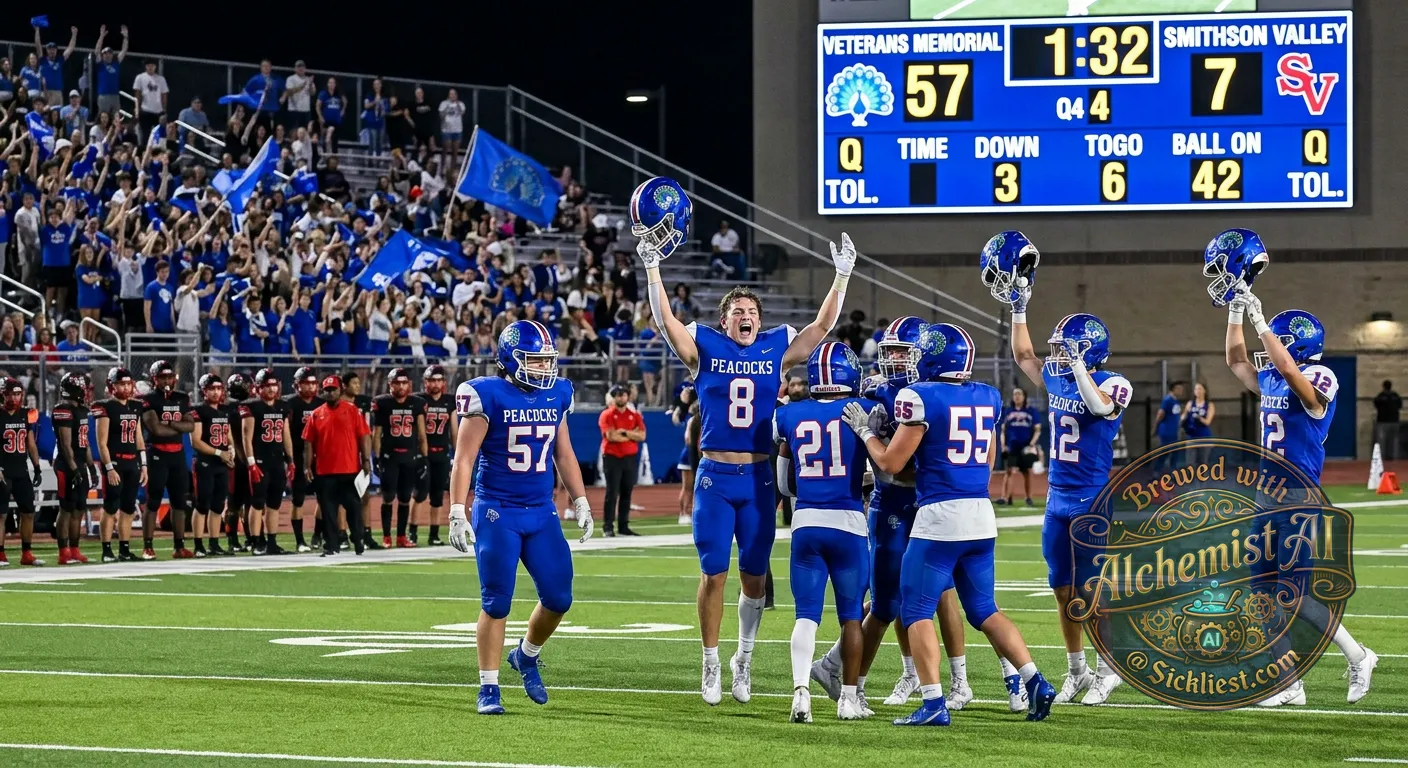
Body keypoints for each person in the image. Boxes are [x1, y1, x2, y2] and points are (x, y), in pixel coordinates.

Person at [636, 176, 855, 706]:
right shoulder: (704, 347)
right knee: (713, 572)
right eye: (738, 312)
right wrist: (652, 267)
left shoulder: (775, 348)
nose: (747, 316)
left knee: (754, 579)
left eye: (753, 312)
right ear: (724, 320)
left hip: (758, 478)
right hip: (715, 476)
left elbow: (822, 328)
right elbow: (666, 322)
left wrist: (842, 276)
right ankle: (710, 661)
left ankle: (744, 659)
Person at [844, 322, 1059, 725]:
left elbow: (891, 462)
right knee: (985, 609)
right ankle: (1035, 680)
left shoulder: (920, 397)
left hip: (939, 517)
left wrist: (865, 432)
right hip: (980, 513)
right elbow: (989, 460)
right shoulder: (987, 396)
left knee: (915, 609)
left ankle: (932, 703)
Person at [1215, 233, 1377, 705]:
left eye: (1280, 342)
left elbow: (1291, 373)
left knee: (1295, 595)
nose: (1272, 350)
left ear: (1299, 345)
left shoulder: (1321, 376)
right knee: (1261, 594)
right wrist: (1236, 309)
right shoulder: (1272, 375)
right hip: (1266, 496)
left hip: (1298, 497)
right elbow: (1235, 359)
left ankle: (1359, 655)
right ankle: (1288, 682)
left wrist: (1260, 318)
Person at [987, 230, 1133, 707]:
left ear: (1087, 350)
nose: (1057, 356)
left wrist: (1080, 367)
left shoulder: (1114, 381)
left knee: (1094, 591)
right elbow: (1024, 355)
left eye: (1066, 349)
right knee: (1062, 588)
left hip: (1093, 498)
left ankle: (1110, 670)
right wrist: (1019, 308)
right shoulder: (1057, 374)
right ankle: (1077, 669)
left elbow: (1102, 407)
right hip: (1058, 496)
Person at [448, 319, 596, 715]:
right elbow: (464, 459)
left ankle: (526, 655)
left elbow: (563, 452)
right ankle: (489, 687)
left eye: (547, 360)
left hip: (541, 509)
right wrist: (458, 510)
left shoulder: (557, 393)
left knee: (559, 597)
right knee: (497, 601)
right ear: (510, 359)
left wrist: (580, 499)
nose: (545, 367)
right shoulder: (487, 395)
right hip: (498, 509)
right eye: (535, 360)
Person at [774, 343, 875, 723]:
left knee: (806, 615)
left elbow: (784, 484)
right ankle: (847, 699)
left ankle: (801, 693)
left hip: (806, 522)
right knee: (851, 617)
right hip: (848, 522)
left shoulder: (790, 414)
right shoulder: (863, 409)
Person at [303, 375, 373, 557]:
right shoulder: (316, 414)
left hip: (349, 470)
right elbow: (308, 442)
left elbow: (364, 436)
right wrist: (307, 466)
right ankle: (331, 545)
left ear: (340, 390)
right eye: (327, 390)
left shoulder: (352, 410)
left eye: (333, 389)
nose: (330, 393)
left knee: (354, 508)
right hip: (325, 472)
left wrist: (366, 460)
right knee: (328, 512)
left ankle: (358, 539)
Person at [141, 359, 195, 559]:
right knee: (153, 500)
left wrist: (170, 424)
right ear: (154, 379)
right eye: (162, 377)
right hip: (157, 453)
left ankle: (179, 546)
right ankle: (147, 546)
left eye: (169, 377)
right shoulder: (148, 399)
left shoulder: (182, 397)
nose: (166, 381)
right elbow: (156, 429)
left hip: (177, 454)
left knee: (179, 501)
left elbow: (191, 426)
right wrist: (178, 425)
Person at [94, 367, 147, 563]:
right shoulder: (105, 407)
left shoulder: (135, 406)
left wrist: (144, 464)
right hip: (115, 462)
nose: (125, 388)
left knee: (128, 508)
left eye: (127, 384)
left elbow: (139, 437)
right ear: (112, 386)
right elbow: (102, 443)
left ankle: (124, 549)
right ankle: (107, 550)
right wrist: (109, 468)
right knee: (110, 506)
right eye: (121, 384)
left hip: (131, 461)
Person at [240, 368, 295, 556]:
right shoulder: (251, 406)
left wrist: (291, 460)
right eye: (267, 386)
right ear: (258, 388)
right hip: (260, 461)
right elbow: (246, 438)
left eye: (273, 385)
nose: (271, 389)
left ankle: (272, 542)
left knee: (274, 504)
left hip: (277, 460)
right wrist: (251, 463)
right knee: (257, 503)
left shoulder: (282, 406)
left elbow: (286, 435)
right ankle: (256, 542)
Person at [373, 367, 427, 548]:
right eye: (397, 383)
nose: (401, 386)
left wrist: (424, 458)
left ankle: (402, 536)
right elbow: (377, 434)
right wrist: (376, 458)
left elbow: (422, 434)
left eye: (404, 383)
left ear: (409, 384)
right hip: (390, 456)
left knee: (405, 497)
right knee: (388, 496)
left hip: (409, 457)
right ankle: (387, 536)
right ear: (390, 384)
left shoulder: (417, 403)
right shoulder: (383, 403)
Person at [52, 372, 97, 565]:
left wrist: (91, 467)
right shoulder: (63, 410)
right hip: (66, 464)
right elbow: (65, 444)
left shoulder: (82, 410)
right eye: (85, 389)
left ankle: (75, 550)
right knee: (66, 508)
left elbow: (84, 442)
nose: (87, 392)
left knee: (79, 508)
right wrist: (74, 469)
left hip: (79, 463)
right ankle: (63, 552)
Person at [0, 378, 44, 566]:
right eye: (10, 394)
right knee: (1, 515)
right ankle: (0, 554)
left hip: (21, 470)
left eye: (17, 394)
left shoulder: (26, 414)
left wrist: (37, 467)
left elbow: (30, 443)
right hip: (3, 471)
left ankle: (27, 553)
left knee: (28, 512)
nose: (14, 398)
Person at [189, 374, 234, 558]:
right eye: (211, 389)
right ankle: (198, 545)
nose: (215, 392)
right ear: (204, 391)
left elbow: (228, 436)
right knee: (202, 504)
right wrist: (218, 453)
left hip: (221, 464)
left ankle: (214, 543)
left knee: (218, 505)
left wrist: (230, 449)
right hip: (205, 462)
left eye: (218, 389)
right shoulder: (198, 411)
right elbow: (196, 442)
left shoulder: (224, 410)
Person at [411, 364, 456, 546]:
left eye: (438, 380)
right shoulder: (418, 400)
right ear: (425, 382)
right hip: (423, 453)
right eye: (432, 380)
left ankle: (434, 534)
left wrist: (457, 455)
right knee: (420, 493)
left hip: (442, 453)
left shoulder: (450, 401)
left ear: (444, 382)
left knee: (438, 495)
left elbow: (454, 432)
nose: (435, 384)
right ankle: (412, 532)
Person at [599, 383, 645, 537]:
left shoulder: (634, 415)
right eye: (618, 395)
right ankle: (608, 526)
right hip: (612, 457)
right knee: (612, 493)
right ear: (613, 398)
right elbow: (611, 436)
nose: (621, 398)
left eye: (623, 395)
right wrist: (631, 435)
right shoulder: (607, 415)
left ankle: (623, 526)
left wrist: (624, 432)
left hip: (629, 457)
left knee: (627, 492)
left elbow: (642, 435)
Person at [284, 367, 322, 553]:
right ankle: (300, 540)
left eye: (313, 383)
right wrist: (289, 457)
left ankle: (317, 535)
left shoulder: (322, 403)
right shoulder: (290, 404)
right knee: (298, 499)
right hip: (298, 455)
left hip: (319, 456)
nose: (310, 387)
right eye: (306, 383)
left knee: (324, 497)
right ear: (297, 385)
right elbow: (285, 432)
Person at [996, 387, 1041, 507]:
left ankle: (1028, 497)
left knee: (1027, 472)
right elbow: (1003, 430)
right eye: (1015, 394)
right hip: (1012, 446)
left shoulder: (1031, 411)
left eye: (1019, 394)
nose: (1017, 396)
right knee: (1009, 470)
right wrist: (1003, 445)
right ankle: (1005, 497)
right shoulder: (1007, 411)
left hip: (1026, 447)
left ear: (1024, 396)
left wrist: (1032, 443)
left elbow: (1037, 429)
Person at [224, 373, 253, 553]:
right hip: (238, 460)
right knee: (237, 503)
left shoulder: (228, 407)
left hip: (240, 459)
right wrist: (247, 460)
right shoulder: (235, 409)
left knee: (240, 503)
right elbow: (237, 439)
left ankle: (238, 539)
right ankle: (240, 538)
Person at [1153, 380, 1186, 469]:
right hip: (1167, 431)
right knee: (1165, 451)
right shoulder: (1167, 400)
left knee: (1175, 452)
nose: (1181, 391)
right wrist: (1156, 427)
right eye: (1179, 389)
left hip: (1174, 431)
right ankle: (1157, 470)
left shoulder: (1176, 401)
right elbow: (1160, 414)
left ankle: (1172, 471)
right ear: (1173, 389)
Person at [1181, 381, 1215, 466]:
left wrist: (1199, 418)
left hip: (1204, 437)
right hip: (1192, 436)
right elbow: (1184, 415)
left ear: (1204, 391)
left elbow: (1208, 422)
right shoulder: (1190, 403)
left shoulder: (1209, 405)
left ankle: (1203, 475)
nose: (1198, 391)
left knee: (1202, 462)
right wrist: (1183, 420)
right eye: (1196, 389)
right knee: (1189, 463)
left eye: (1200, 389)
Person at [1374, 380, 1402, 460]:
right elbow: (1400, 405)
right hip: (1394, 421)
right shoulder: (1395, 396)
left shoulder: (1381, 396)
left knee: (1381, 442)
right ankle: (1393, 458)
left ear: (1383, 386)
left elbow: (1376, 404)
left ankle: (1382, 458)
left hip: (1382, 422)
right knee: (1393, 442)